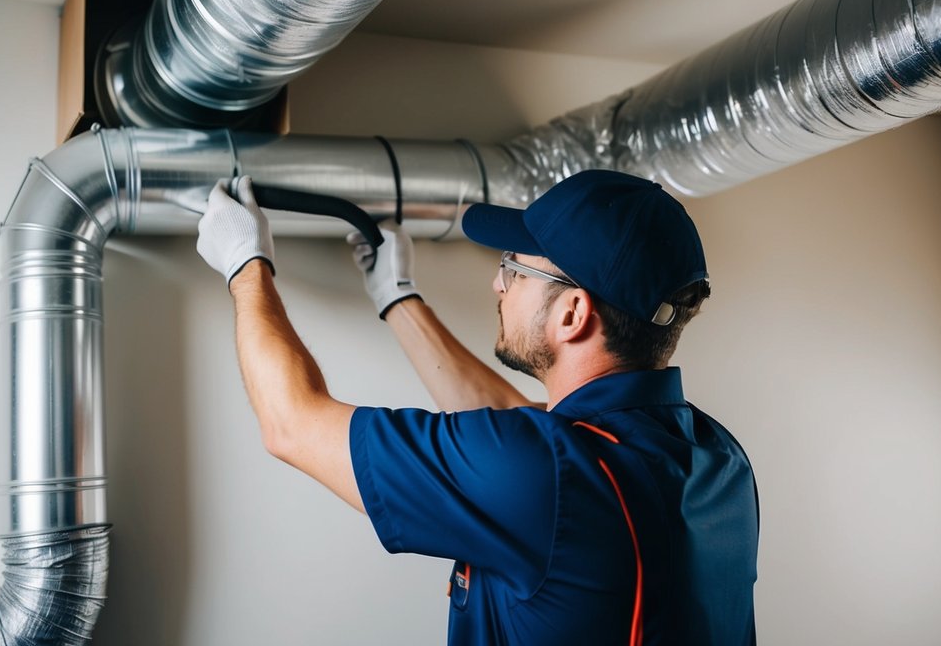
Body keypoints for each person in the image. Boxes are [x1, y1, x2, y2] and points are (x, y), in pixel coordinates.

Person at [196, 169, 759, 645]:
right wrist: (398, 299)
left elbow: (292, 423)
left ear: (573, 314)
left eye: (515, 267)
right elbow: (521, 426)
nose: (497, 282)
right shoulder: (714, 457)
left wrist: (244, 265)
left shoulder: (546, 473)